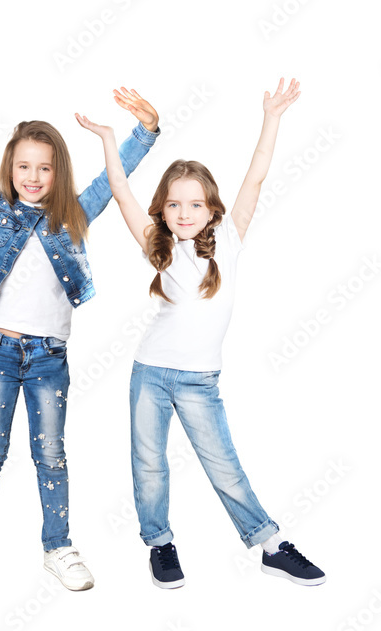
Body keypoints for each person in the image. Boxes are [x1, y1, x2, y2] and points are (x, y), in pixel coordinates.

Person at [0, 87, 160, 594]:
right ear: (11, 168)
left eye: (44, 168)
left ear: (56, 172)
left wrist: (145, 132)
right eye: (24, 167)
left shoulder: (75, 214)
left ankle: (57, 547)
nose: (33, 177)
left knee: (51, 455)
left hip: (49, 358)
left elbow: (114, 179)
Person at [76, 80, 325, 588]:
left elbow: (255, 176)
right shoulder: (158, 246)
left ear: (212, 209)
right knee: (148, 466)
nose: (184, 213)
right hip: (149, 373)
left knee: (224, 467)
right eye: (174, 205)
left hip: (198, 381)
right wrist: (106, 137)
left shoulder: (228, 241)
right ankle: (160, 544)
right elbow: (121, 191)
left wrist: (271, 116)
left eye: (194, 204)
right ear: (163, 211)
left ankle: (269, 544)